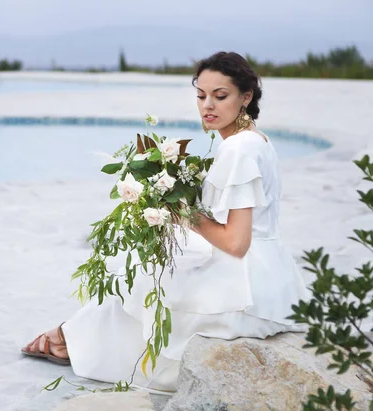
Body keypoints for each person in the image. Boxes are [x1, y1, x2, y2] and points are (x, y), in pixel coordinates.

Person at [21, 51, 310, 391]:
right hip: (273, 279)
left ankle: (68, 340)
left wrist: (183, 212)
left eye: (221, 96)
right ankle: (69, 338)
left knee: (146, 288)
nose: (208, 106)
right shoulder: (258, 140)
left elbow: (235, 242)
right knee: (155, 277)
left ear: (246, 96)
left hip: (244, 288)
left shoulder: (238, 150)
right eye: (201, 95)